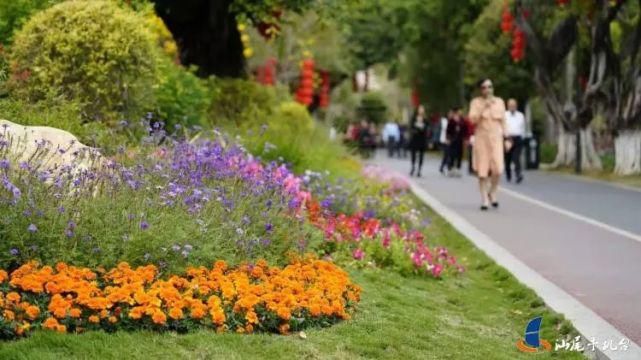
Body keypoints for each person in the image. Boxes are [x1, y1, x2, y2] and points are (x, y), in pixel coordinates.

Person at [468, 78, 510, 211]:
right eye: (484, 87)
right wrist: (483, 107)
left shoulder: (499, 102)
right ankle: (485, 199)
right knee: (482, 171)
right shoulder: (476, 102)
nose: (487, 89)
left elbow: (503, 121)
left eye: (490, 87)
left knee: (498, 169)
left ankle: (492, 191)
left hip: (496, 138)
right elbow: (472, 120)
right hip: (481, 138)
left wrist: (507, 138)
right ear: (480, 90)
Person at [504, 99, 526, 183]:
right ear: (508, 106)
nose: (512, 107)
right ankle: (508, 173)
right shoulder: (504, 115)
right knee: (508, 158)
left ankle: (518, 174)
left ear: (516, 106)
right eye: (510, 105)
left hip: (518, 138)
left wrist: (522, 138)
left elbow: (523, 127)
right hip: (508, 138)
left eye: (514, 105)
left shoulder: (520, 115)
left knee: (516, 157)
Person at [446, 108, 467, 177]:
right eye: (459, 112)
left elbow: (465, 130)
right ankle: (450, 168)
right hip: (452, 139)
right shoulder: (451, 120)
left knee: (459, 154)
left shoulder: (462, 121)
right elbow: (448, 130)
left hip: (460, 139)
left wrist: (465, 139)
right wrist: (448, 138)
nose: (460, 113)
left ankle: (458, 168)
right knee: (452, 154)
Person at [409, 105, 429, 177]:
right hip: (415, 138)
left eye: (422, 109)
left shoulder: (425, 119)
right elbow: (411, 127)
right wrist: (416, 128)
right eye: (420, 109)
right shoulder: (414, 118)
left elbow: (426, 128)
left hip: (422, 138)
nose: (421, 110)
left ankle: (419, 170)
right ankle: (413, 167)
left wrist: (422, 126)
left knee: (421, 154)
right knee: (413, 153)